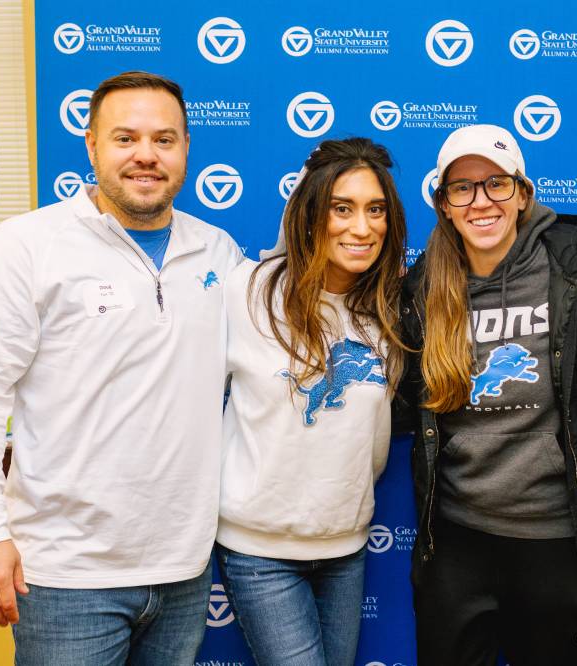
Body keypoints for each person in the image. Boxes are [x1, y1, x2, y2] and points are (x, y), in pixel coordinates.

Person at [0, 71, 243, 664]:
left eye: (164, 139)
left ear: (185, 148)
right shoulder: (28, 245)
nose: (146, 155)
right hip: (65, 576)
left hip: (184, 571)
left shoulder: (217, 251)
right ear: (92, 145)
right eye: (125, 138)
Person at [395, 124, 577, 665]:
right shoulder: (423, 288)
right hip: (456, 542)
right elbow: (402, 405)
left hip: (556, 540)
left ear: (522, 194)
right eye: (462, 188)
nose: (480, 201)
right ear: (444, 205)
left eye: (496, 183)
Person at [214, 137, 407, 666]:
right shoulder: (247, 291)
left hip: (346, 546)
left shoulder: (386, 310)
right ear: (309, 213)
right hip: (260, 550)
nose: (361, 228)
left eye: (375, 210)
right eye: (341, 208)